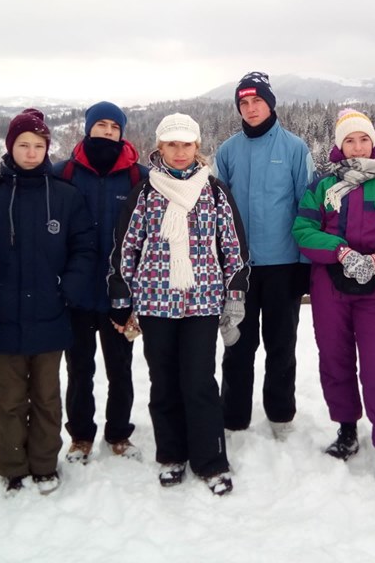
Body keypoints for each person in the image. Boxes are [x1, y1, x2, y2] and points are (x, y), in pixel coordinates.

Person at [108, 113, 249, 495]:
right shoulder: (145, 192)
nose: (180, 151)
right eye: (172, 144)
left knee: (200, 382)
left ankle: (211, 460)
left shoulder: (214, 191)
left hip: (202, 302)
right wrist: (121, 294)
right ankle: (171, 454)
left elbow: (233, 248)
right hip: (155, 303)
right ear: (160, 148)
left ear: (197, 147)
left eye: (187, 144)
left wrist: (235, 294)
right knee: (164, 382)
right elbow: (127, 248)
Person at [0, 109, 95, 495]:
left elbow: (84, 248)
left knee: (47, 396)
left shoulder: (66, 195)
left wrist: (66, 289)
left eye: (39, 146)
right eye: (24, 144)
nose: (32, 152)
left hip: (52, 311)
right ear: (10, 147)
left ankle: (43, 464)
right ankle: (12, 466)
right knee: (8, 398)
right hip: (4, 313)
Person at [292, 109, 375, 488]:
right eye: (349, 139)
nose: (357, 145)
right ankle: (347, 430)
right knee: (335, 360)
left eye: (363, 138)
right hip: (330, 284)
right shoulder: (323, 185)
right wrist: (342, 252)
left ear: (374, 142)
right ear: (338, 145)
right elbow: (303, 227)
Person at [214, 72, 315, 438]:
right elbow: (218, 212)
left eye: (257, 101)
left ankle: (280, 414)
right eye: (244, 103)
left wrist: (305, 265)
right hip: (238, 268)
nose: (251, 108)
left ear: (270, 104)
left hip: (283, 266)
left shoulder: (294, 148)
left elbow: (308, 208)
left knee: (281, 344)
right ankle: (234, 415)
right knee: (237, 343)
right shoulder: (227, 151)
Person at [53, 101, 147, 465]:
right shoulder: (64, 173)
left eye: (114, 126)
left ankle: (119, 433)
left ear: (121, 132)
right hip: (75, 293)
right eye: (101, 125)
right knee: (79, 369)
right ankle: (80, 435)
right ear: (88, 128)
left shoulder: (137, 177)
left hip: (119, 294)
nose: (107, 131)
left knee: (120, 367)